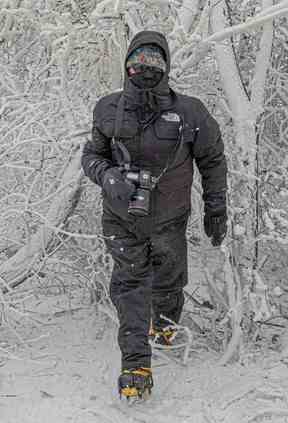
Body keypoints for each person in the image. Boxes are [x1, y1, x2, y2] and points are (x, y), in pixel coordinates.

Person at [81, 30, 227, 399]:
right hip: (121, 217)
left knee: (169, 278)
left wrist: (216, 206)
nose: (145, 69)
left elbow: (212, 160)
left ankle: (163, 324)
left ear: (166, 66)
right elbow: (91, 157)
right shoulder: (107, 108)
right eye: (138, 62)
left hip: (171, 217)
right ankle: (135, 365)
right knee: (130, 286)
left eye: (154, 62)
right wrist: (109, 176)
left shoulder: (189, 111)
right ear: (126, 64)